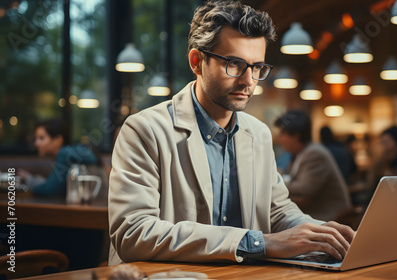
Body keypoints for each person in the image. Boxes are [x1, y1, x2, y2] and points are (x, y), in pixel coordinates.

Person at [108, 0, 354, 266]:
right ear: (196, 62)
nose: (249, 80)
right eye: (235, 64)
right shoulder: (144, 130)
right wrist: (261, 243)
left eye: (257, 67)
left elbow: (278, 211)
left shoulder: (258, 133)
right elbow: (133, 233)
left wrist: (323, 235)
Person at [274, 112, 351, 221]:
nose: (279, 138)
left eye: (282, 133)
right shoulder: (298, 153)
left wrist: (278, 179)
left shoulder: (315, 153)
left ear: (296, 135)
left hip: (330, 216)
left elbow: (305, 188)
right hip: (312, 211)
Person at [18, 118, 98, 196]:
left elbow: (49, 190)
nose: (36, 143)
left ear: (58, 140)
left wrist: (28, 184)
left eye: (41, 138)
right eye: (36, 139)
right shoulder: (72, 154)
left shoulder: (64, 154)